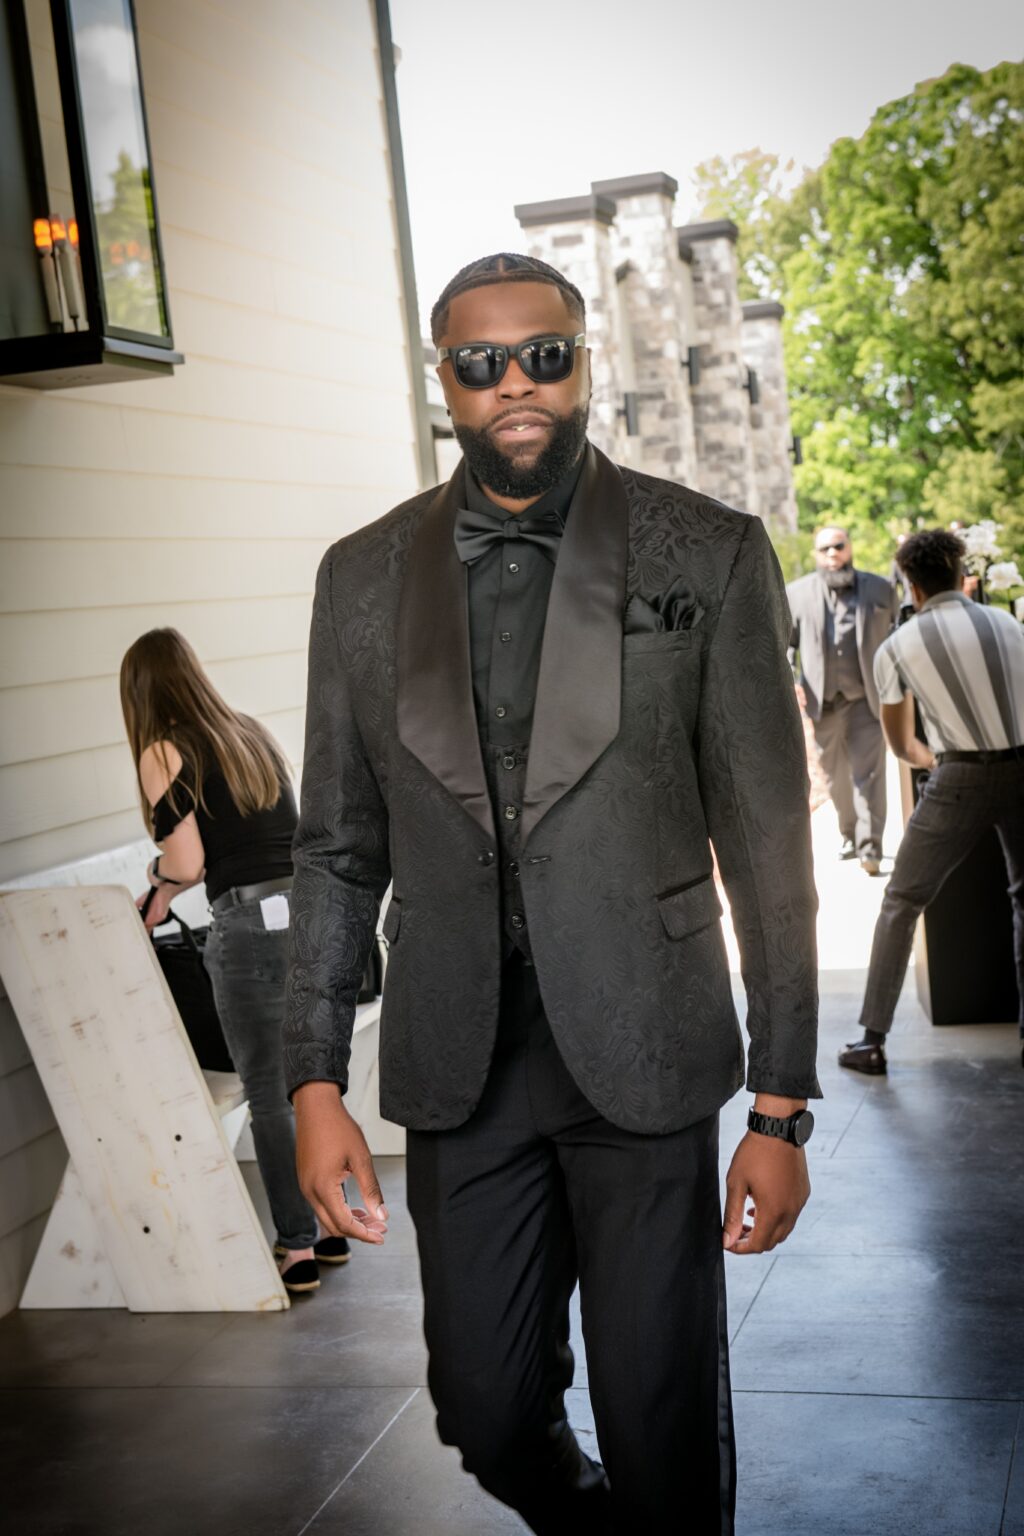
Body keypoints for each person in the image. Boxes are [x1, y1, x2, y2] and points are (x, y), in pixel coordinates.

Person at [284, 253, 820, 1535]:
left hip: (646, 1043)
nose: (514, 383)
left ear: (585, 364)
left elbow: (770, 848)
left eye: (544, 355)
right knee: (481, 1405)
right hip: (458, 1056)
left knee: (658, 1417)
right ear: (446, 383)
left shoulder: (710, 550)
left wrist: (782, 1106)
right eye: (481, 364)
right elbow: (338, 847)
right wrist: (310, 1080)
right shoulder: (358, 577)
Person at [120, 628, 349, 1294]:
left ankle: (297, 1246)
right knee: (310, 1080)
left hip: (247, 927)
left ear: (140, 693)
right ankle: (331, 1224)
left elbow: (188, 861)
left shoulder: (164, 750)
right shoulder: (249, 732)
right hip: (306, 916)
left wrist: (159, 885)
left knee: (269, 1095)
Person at [838, 529, 1024, 1074]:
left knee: (902, 901)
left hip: (959, 776)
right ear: (961, 574)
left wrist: (934, 759)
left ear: (911, 586)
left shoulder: (898, 645)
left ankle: (871, 1041)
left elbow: (901, 744)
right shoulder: (1010, 624)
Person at [787, 527, 899, 874]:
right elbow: (786, 645)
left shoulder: (880, 588)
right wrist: (792, 680)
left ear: (850, 548)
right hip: (823, 703)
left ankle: (871, 848)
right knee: (836, 777)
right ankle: (850, 835)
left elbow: (897, 634)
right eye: (825, 549)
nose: (833, 553)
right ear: (816, 554)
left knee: (869, 774)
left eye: (839, 546)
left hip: (866, 698)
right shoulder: (797, 593)